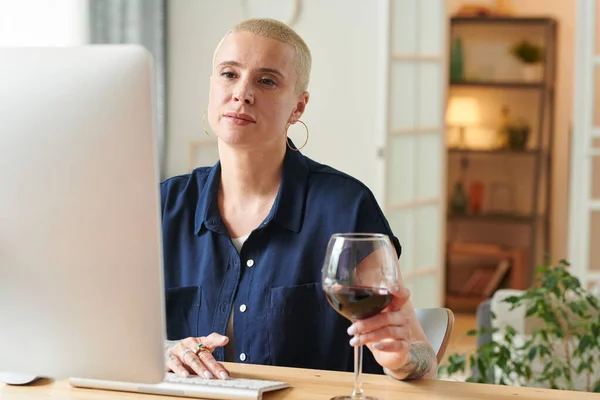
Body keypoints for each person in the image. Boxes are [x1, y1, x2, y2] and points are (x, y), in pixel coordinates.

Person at [160, 18, 438, 382]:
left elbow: (424, 361)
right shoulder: (164, 205)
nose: (242, 92)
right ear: (212, 86)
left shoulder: (346, 207)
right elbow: (115, 339)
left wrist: (401, 357)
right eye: (229, 74)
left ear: (298, 107)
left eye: (267, 80)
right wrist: (166, 351)